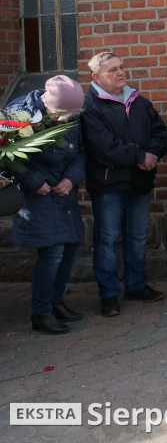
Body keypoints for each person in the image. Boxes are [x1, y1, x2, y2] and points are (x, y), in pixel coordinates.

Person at [81, 52, 167, 317]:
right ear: (96, 77)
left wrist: (152, 154)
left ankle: (136, 285)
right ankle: (109, 295)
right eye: (112, 70)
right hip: (109, 185)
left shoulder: (138, 101)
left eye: (121, 67)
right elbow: (103, 148)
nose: (120, 73)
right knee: (106, 240)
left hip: (140, 181)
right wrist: (141, 156)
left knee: (137, 236)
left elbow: (160, 132)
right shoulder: (90, 106)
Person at [6, 76, 86, 334]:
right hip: (38, 193)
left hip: (63, 191)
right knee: (52, 251)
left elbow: (81, 152)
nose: (66, 120)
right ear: (48, 104)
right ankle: (41, 313)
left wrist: (71, 179)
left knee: (71, 246)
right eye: (61, 114)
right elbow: (8, 155)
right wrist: (32, 181)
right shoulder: (18, 114)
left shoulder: (72, 115)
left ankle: (56, 301)